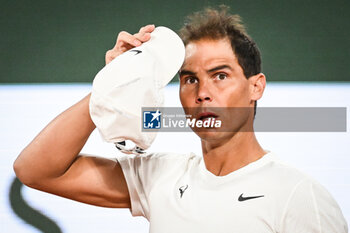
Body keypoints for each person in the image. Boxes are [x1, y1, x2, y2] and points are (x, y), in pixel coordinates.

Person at [13, 6, 348, 233]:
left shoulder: (299, 195)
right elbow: (35, 170)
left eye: (220, 76)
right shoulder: (159, 176)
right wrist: (113, 84)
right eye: (189, 79)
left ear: (255, 87)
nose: (202, 92)